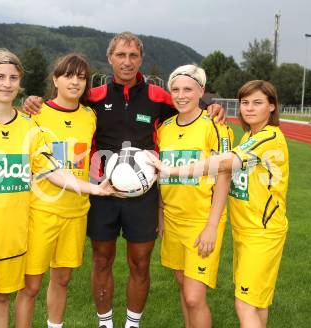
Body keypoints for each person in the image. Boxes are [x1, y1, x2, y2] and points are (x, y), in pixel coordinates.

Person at [22, 31, 226, 328]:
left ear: (141, 59)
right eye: (120, 55)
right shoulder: (94, 97)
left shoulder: (158, 97)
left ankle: (132, 324)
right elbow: (63, 103)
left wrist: (213, 107)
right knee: (102, 261)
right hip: (101, 193)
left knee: (140, 263)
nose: (127, 62)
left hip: (143, 197)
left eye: (133, 56)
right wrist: (32, 101)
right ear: (110, 59)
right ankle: (105, 323)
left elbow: (189, 105)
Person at [0, 48, 111, 328]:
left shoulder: (32, 128)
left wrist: (95, 189)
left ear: (20, 82)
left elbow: (52, 170)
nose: (7, 83)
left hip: (15, 234)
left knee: (1, 299)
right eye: (0, 76)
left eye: (13, 77)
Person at [147, 80, 289, 328]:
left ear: (272, 107)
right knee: (257, 303)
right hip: (246, 229)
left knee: (244, 305)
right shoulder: (249, 136)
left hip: (262, 232)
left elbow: (223, 163)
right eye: (245, 103)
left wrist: (172, 170)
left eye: (258, 103)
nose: (249, 108)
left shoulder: (268, 137)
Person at [15, 54, 97, 328]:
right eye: (68, 75)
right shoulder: (36, 114)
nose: (75, 82)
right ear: (55, 79)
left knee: (62, 279)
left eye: (81, 77)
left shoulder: (90, 116)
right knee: (30, 285)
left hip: (76, 212)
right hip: (41, 212)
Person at [156, 64, 232, 328]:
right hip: (174, 219)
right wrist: (161, 214)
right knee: (183, 288)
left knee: (193, 295)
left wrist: (212, 225)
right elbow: (160, 175)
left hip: (202, 221)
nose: (181, 95)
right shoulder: (164, 128)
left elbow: (224, 176)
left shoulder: (215, 126)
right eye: (175, 89)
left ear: (201, 90)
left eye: (188, 89)